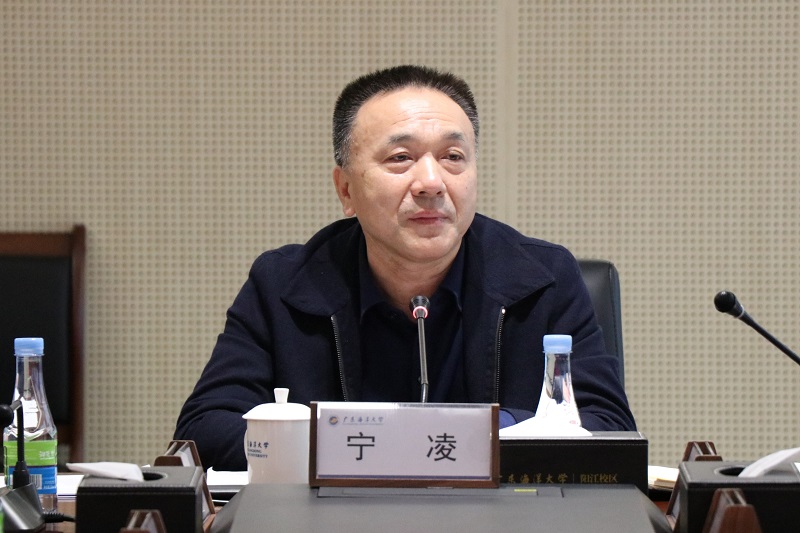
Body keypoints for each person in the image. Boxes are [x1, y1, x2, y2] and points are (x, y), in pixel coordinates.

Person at [174, 65, 636, 471]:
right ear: (346, 190)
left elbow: (609, 429)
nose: (432, 182)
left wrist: (488, 437)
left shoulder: (543, 279)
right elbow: (203, 432)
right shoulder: (285, 284)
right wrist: (359, 446)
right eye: (401, 158)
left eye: (453, 157)